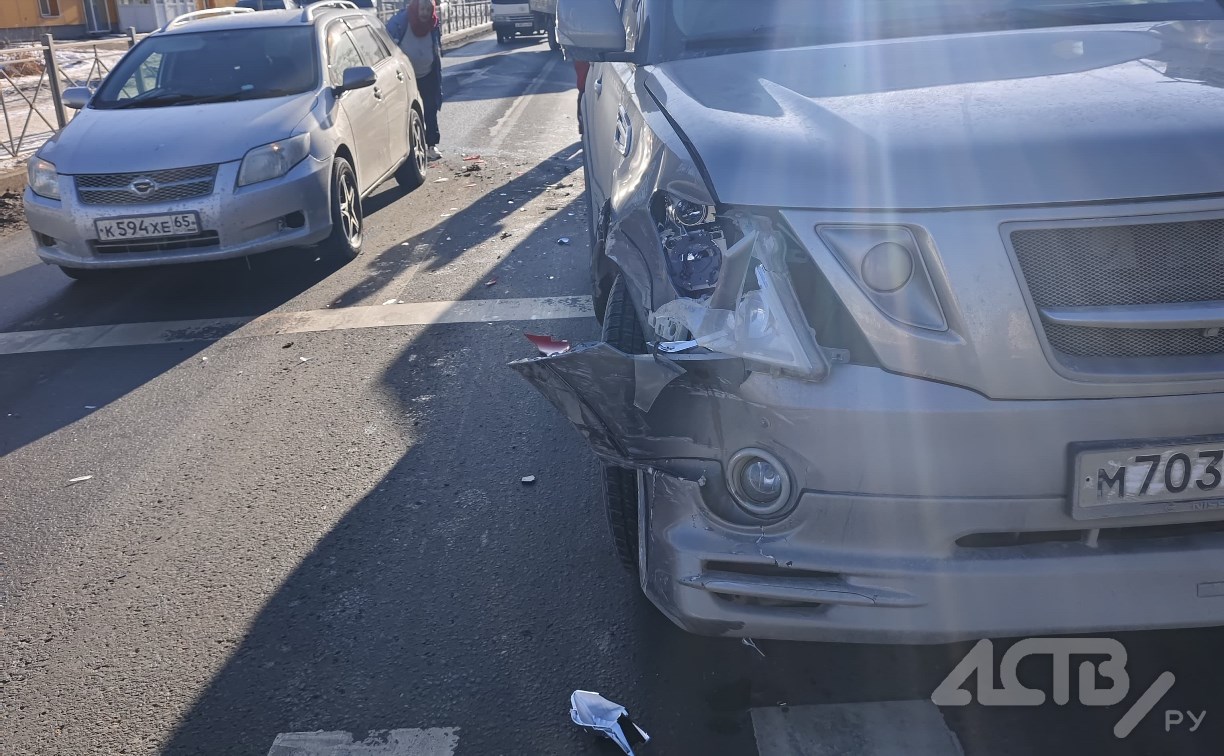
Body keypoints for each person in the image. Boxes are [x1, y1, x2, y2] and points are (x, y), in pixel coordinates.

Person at [388, 0, 444, 161]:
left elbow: (435, 47)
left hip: (428, 74)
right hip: (405, 78)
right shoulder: (400, 22)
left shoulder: (433, 24)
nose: (425, 13)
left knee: (430, 109)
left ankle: (431, 145)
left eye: (428, 9)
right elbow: (389, 45)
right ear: (415, 8)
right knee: (408, 113)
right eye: (422, 9)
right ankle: (408, 150)